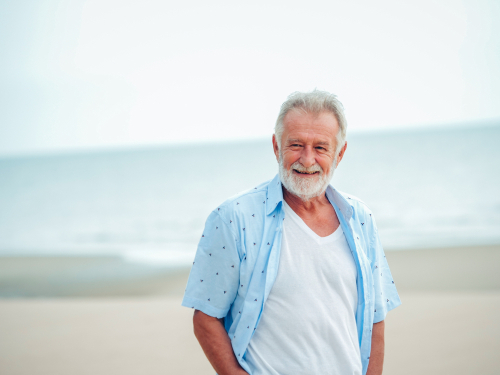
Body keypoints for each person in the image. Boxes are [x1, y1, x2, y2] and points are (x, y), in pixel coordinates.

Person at [182, 90, 401, 375]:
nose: (307, 160)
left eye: (321, 147)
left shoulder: (360, 218)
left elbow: (375, 318)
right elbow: (205, 316)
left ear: (340, 153)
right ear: (276, 146)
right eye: (296, 144)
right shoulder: (234, 218)